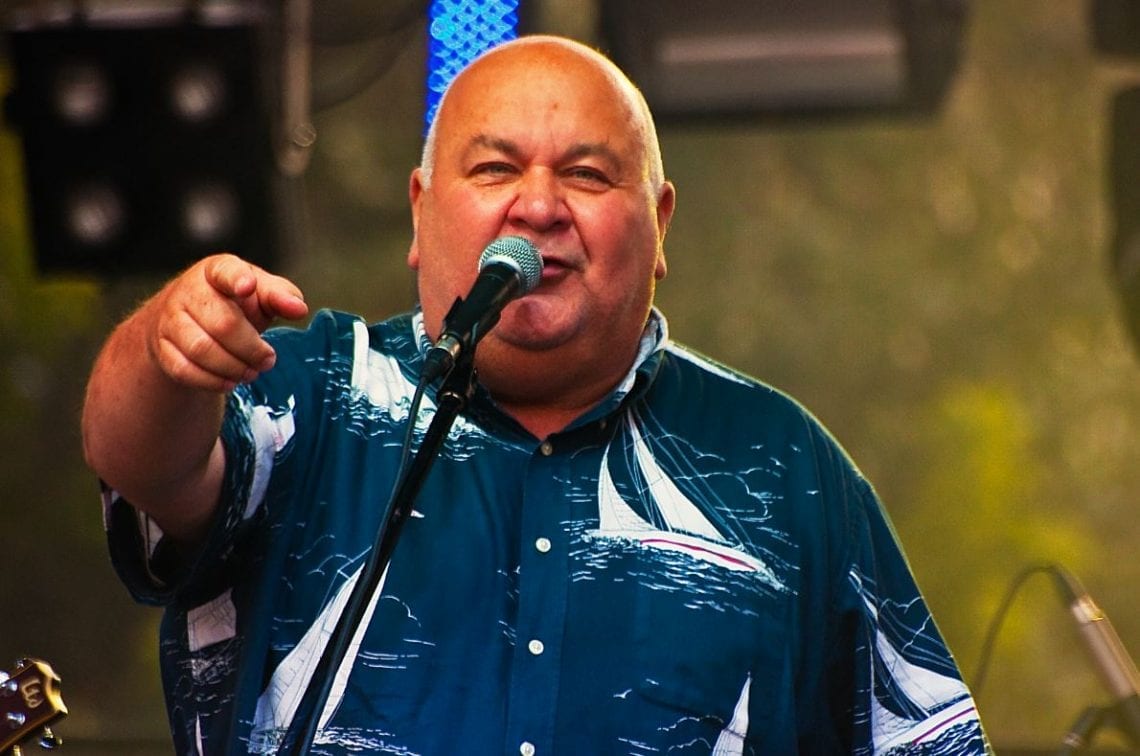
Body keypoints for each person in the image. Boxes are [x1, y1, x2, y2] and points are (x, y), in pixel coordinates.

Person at [82, 35, 990, 755]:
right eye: (494, 170)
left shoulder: (782, 465)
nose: (539, 206)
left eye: (587, 175)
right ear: (420, 211)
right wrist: (166, 351)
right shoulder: (312, 389)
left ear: (660, 225)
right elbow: (141, 462)